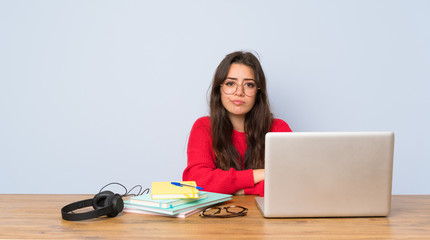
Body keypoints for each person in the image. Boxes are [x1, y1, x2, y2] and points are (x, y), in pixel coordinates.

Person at [182, 51, 292, 196]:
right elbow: (196, 182)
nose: (239, 92)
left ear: (258, 92)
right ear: (219, 89)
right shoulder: (204, 127)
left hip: (267, 217)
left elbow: (292, 181)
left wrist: (240, 190)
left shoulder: (278, 129)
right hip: (216, 217)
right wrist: (257, 175)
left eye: (249, 85)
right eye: (230, 83)